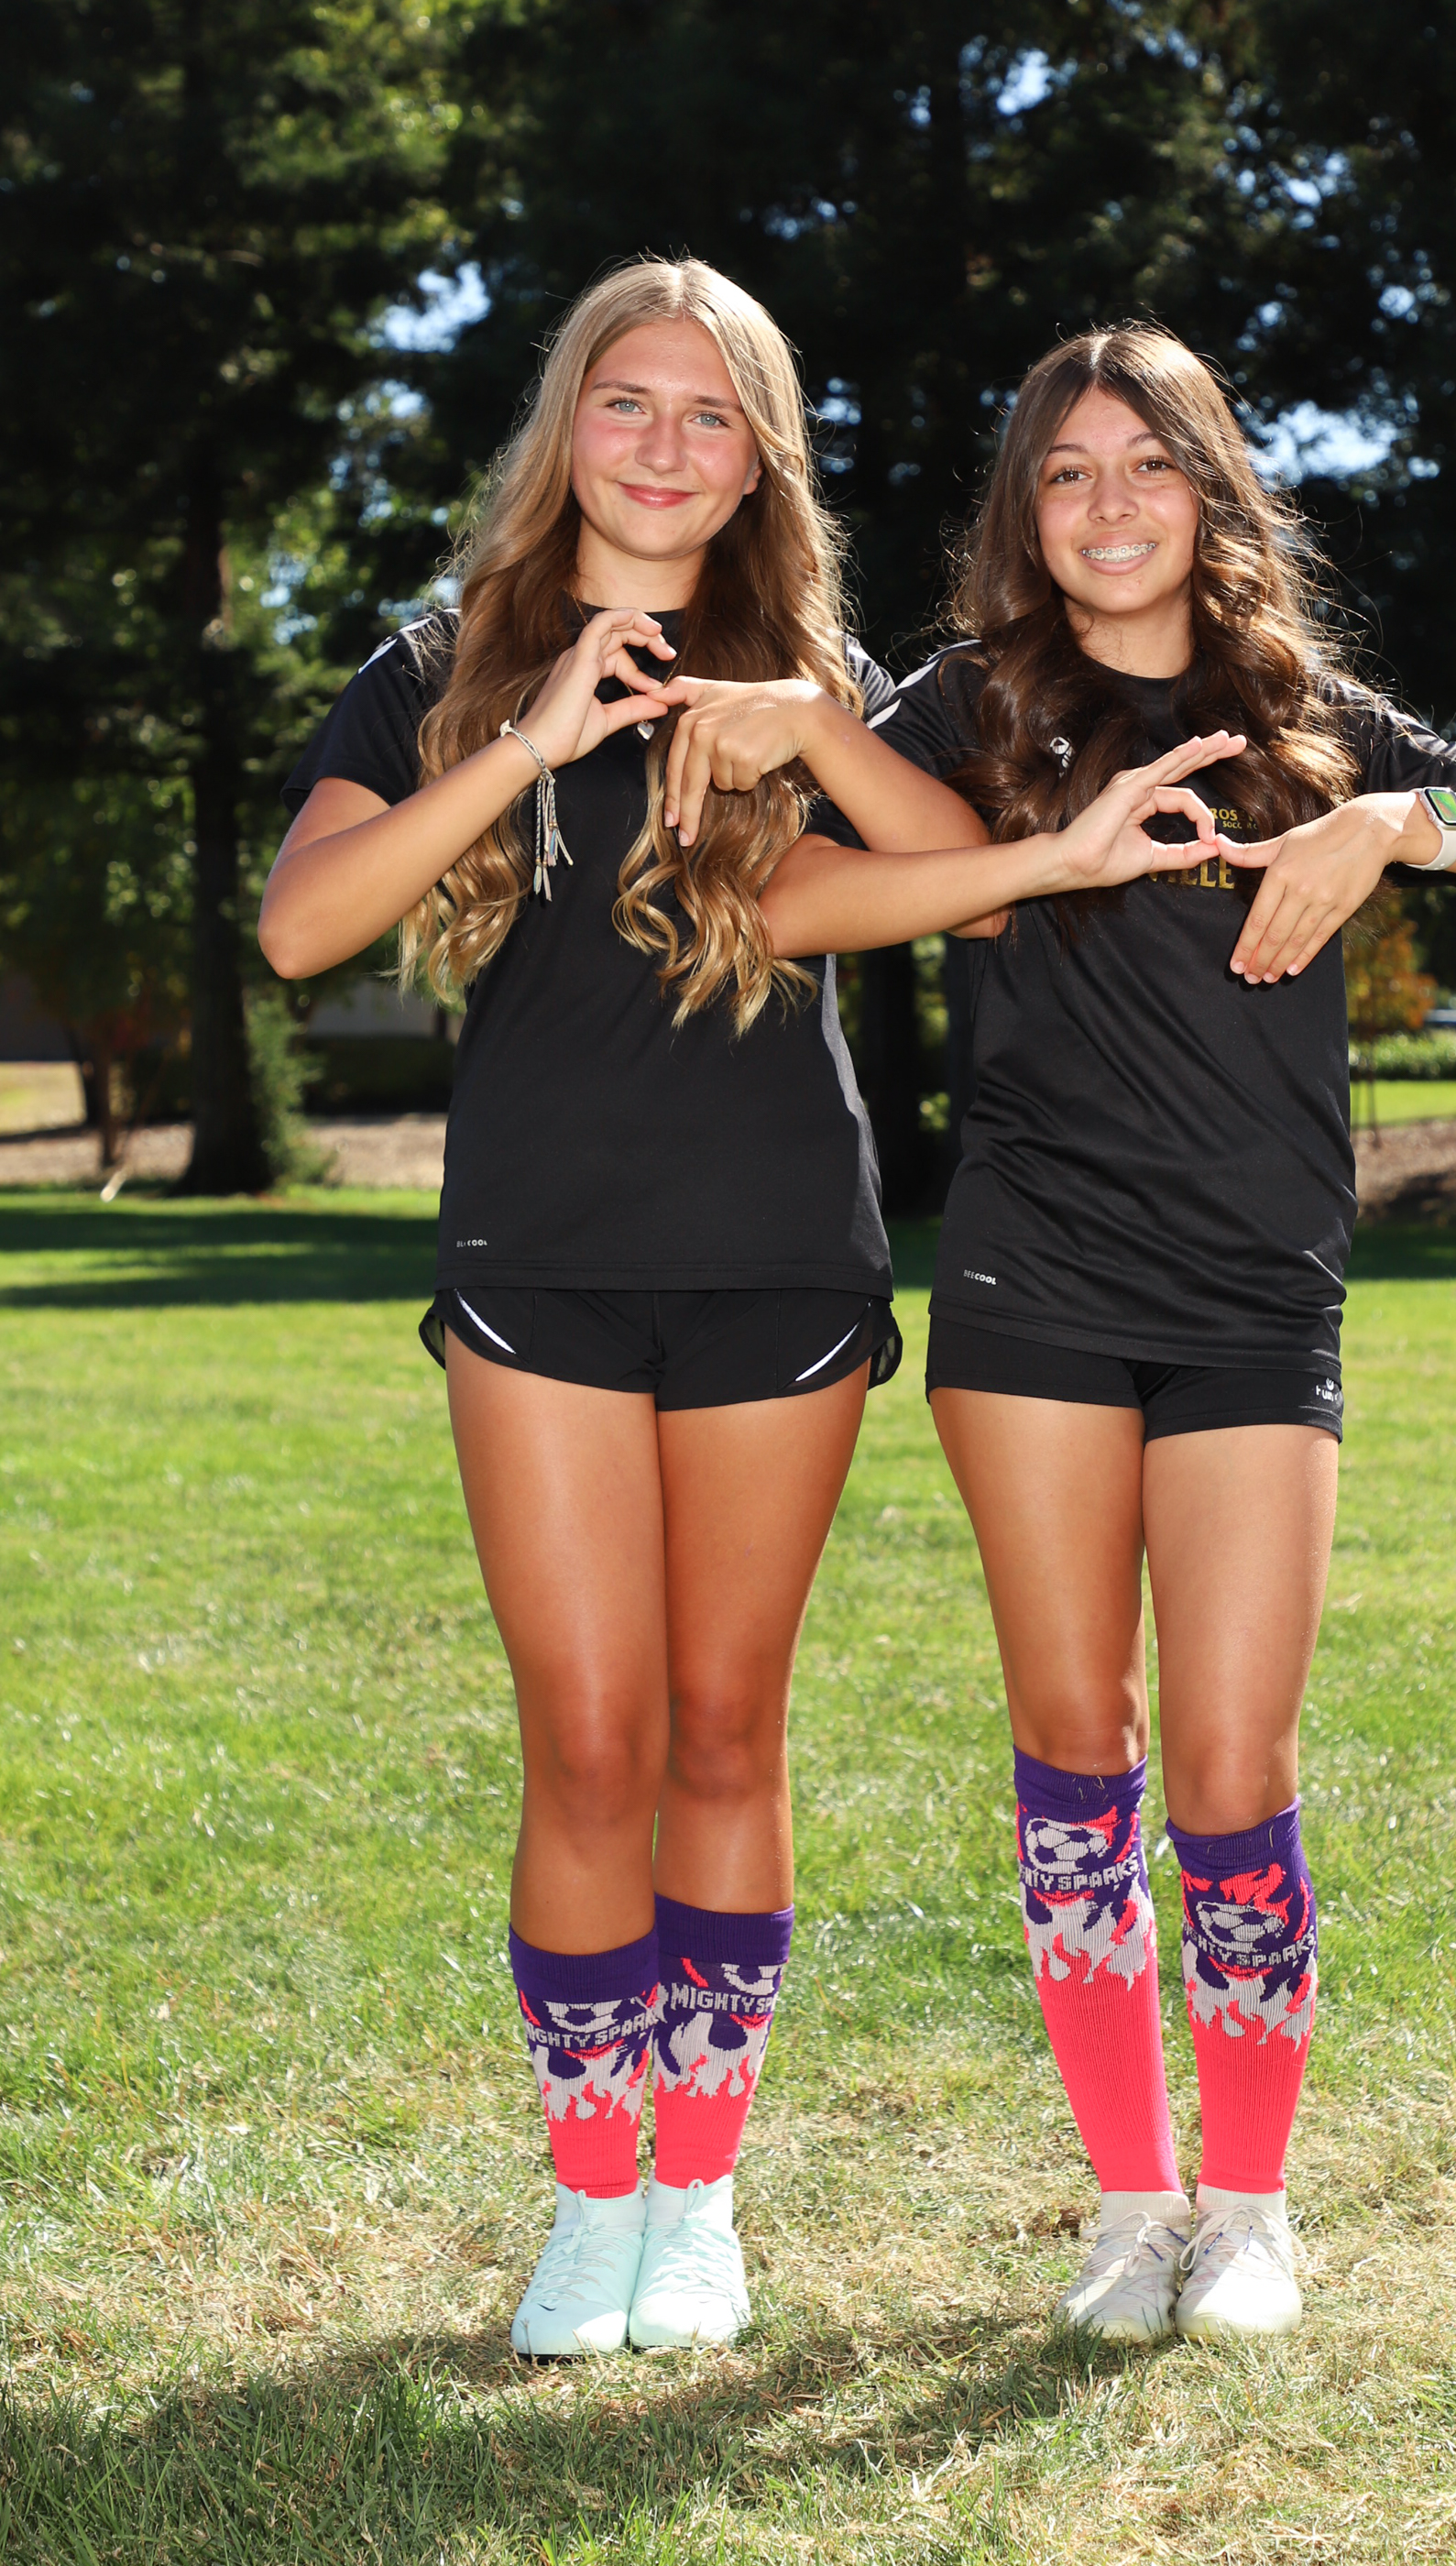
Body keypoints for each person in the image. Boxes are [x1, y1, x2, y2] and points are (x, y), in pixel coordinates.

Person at [752, 324, 1456, 2344]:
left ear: (1211, 489)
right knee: (1076, 1744)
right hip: (1033, 1285)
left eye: (1147, 462)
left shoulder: (1302, 715)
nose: (1109, 502)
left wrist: (1392, 827)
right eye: (1065, 471)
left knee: (1231, 1762)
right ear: (1023, 513)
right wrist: (961, 817)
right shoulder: (965, 706)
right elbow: (791, 893)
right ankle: (1132, 2203)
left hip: (1253, 1294)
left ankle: (1250, 2207)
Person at [257, 257, 1010, 2359]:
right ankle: (592, 2196)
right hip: (540, 1262)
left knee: (723, 1725)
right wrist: (529, 737)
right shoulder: (439, 661)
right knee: (587, 1737)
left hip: (780, 1255)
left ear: (758, 459)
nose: (665, 445)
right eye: (627, 400)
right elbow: (305, 927)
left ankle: (702, 2196)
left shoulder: (822, 672)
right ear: (565, 425)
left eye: (711, 413)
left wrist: (818, 725)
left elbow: (970, 872)